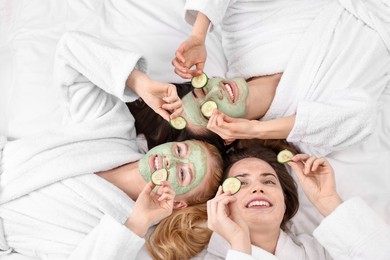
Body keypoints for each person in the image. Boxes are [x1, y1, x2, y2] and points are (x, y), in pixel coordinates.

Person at [0, 31, 223, 260]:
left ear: (177, 203)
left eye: (184, 173)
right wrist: (140, 83)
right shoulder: (112, 129)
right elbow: (71, 49)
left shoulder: (127, 237)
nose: (171, 160)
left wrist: (137, 223)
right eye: (179, 150)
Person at [172, 0, 390, 157]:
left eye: (201, 90)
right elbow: (363, 113)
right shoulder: (307, 135)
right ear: (228, 134)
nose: (214, 91)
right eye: (207, 108)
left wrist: (198, 35)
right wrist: (256, 130)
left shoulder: (240, 41)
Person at [202, 141, 390, 259]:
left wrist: (328, 201)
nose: (257, 188)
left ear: (285, 200)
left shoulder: (323, 251)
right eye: (241, 183)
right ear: (221, 202)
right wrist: (239, 246)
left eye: (268, 181)